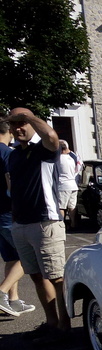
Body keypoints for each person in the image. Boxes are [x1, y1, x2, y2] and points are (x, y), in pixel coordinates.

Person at [6, 107, 71, 342]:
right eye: (14, 124)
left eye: (22, 123)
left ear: (33, 124)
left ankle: (65, 326)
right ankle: (51, 323)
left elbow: (52, 137)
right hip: (21, 224)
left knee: (56, 277)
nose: (18, 128)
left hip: (45, 222)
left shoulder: (43, 149)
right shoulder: (13, 155)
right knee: (35, 276)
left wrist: (30, 116)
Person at [0, 118, 36, 317]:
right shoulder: (7, 153)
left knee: (12, 257)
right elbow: (11, 183)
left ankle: (12, 301)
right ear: (9, 132)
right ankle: (2, 292)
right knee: (26, 255)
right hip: (8, 212)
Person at [57, 140, 80, 229]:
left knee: (61, 207)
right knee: (72, 206)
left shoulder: (58, 159)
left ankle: (62, 224)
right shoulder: (72, 158)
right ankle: (73, 223)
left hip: (63, 184)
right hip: (73, 184)